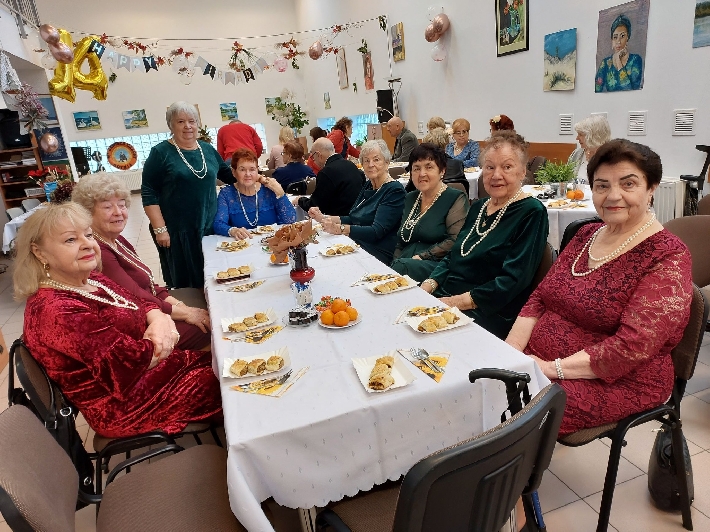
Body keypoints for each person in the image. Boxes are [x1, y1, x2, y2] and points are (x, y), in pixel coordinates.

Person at [506, 139, 692, 436]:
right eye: (602, 185)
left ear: (651, 188)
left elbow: (631, 347)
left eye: (628, 184)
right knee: (478, 383)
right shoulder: (586, 235)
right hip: (538, 359)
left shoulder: (667, 255)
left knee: (508, 409)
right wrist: (512, 352)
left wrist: (548, 368)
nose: (613, 195)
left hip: (622, 379)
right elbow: (540, 297)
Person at [15, 202, 221, 438]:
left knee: (228, 363)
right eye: (70, 239)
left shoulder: (91, 278)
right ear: (39, 252)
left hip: (154, 373)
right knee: (234, 386)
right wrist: (164, 330)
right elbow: (127, 365)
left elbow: (139, 302)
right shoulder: (57, 309)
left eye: (88, 235)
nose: (88, 244)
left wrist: (159, 319)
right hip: (125, 404)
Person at [420, 131, 549, 339]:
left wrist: (455, 303)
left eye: (507, 167)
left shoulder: (531, 212)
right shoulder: (478, 207)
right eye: (489, 167)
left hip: (489, 309)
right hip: (448, 295)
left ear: (522, 171)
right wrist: (428, 285)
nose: (496, 175)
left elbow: (513, 280)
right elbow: (454, 255)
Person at [72, 174, 211, 351]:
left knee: (207, 316)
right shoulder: (99, 252)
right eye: (107, 207)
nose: (118, 212)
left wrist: (182, 307)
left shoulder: (118, 239)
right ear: (87, 212)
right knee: (209, 328)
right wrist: (186, 313)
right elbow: (136, 295)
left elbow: (148, 283)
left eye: (122, 205)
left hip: (151, 309)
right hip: (138, 325)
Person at [142, 101, 235, 289]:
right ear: (171, 125)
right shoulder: (161, 153)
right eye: (180, 121)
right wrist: (160, 229)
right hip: (178, 231)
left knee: (215, 275)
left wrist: (257, 177)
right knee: (188, 283)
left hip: (209, 225)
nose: (188, 126)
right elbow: (148, 191)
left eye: (192, 121)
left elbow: (229, 176)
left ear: (198, 123)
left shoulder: (207, 149)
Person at [312, 140, 406, 264]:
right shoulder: (368, 185)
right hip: (359, 243)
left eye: (376, 160)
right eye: (366, 160)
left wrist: (340, 229)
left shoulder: (394, 190)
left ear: (387, 162)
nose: (370, 164)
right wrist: (323, 218)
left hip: (378, 250)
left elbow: (376, 231)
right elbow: (353, 218)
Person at [391, 144, 469, 282]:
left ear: (442, 171)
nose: (422, 174)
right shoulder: (410, 198)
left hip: (438, 267)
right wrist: (393, 263)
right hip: (404, 263)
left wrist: (422, 256)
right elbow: (400, 241)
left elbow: (455, 240)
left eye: (429, 167)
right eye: (416, 168)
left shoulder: (455, 198)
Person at [214, 148, 296, 240]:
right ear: (234, 172)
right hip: (243, 245)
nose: (248, 174)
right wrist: (232, 230)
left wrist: (280, 193)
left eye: (252, 169)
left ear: (257, 171)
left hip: (272, 243)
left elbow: (290, 220)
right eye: (242, 170)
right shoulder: (226, 194)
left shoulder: (269, 189)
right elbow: (218, 224)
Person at [296, 138, 364, 217]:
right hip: (357, 215)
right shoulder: (350, 164)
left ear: (318, 155)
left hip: (340, 220)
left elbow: (316, 206)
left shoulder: (326, 173)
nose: (314, 161)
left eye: (313, 157)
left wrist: (300, 200)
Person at [405, 129, 469, 196]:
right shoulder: (457, 163)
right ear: (445, 144)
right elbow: (465, 188)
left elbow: (408, 190)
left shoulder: (419, 166)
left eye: (429, 167)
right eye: (417, 169)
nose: (422, 174)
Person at [595, 14, 643, 92]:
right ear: (612, 40)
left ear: (627, 37)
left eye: (622, 36)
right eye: (615, 37)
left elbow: (631, 91)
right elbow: (597, 89)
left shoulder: (635, 60)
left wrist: (618, 61)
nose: (618, 41)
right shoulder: (605, 63)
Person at [568, 115, 612, 183]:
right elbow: (566, 180)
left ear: (594, 136)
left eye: (581, 135)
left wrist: (593, 162)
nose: (577, 138)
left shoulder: (611, 157)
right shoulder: (577, 154)